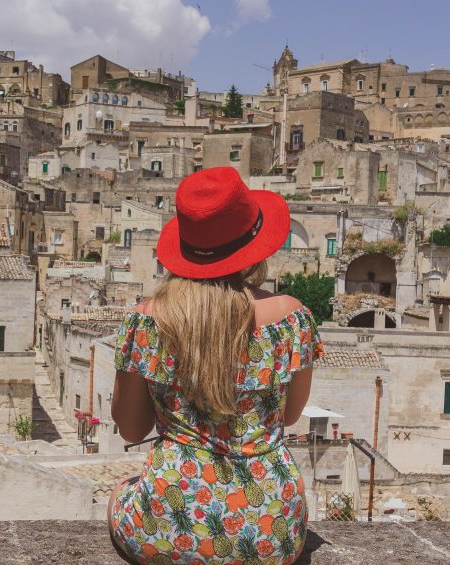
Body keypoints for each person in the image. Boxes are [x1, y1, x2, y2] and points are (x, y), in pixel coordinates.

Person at [108, 167, 323, 564]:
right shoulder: (292, 318)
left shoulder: (147, 320)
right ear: (255, 241)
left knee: (118, 493)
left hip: (170, 526)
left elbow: (131, 428)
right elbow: (290, 416)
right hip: (271, 530)